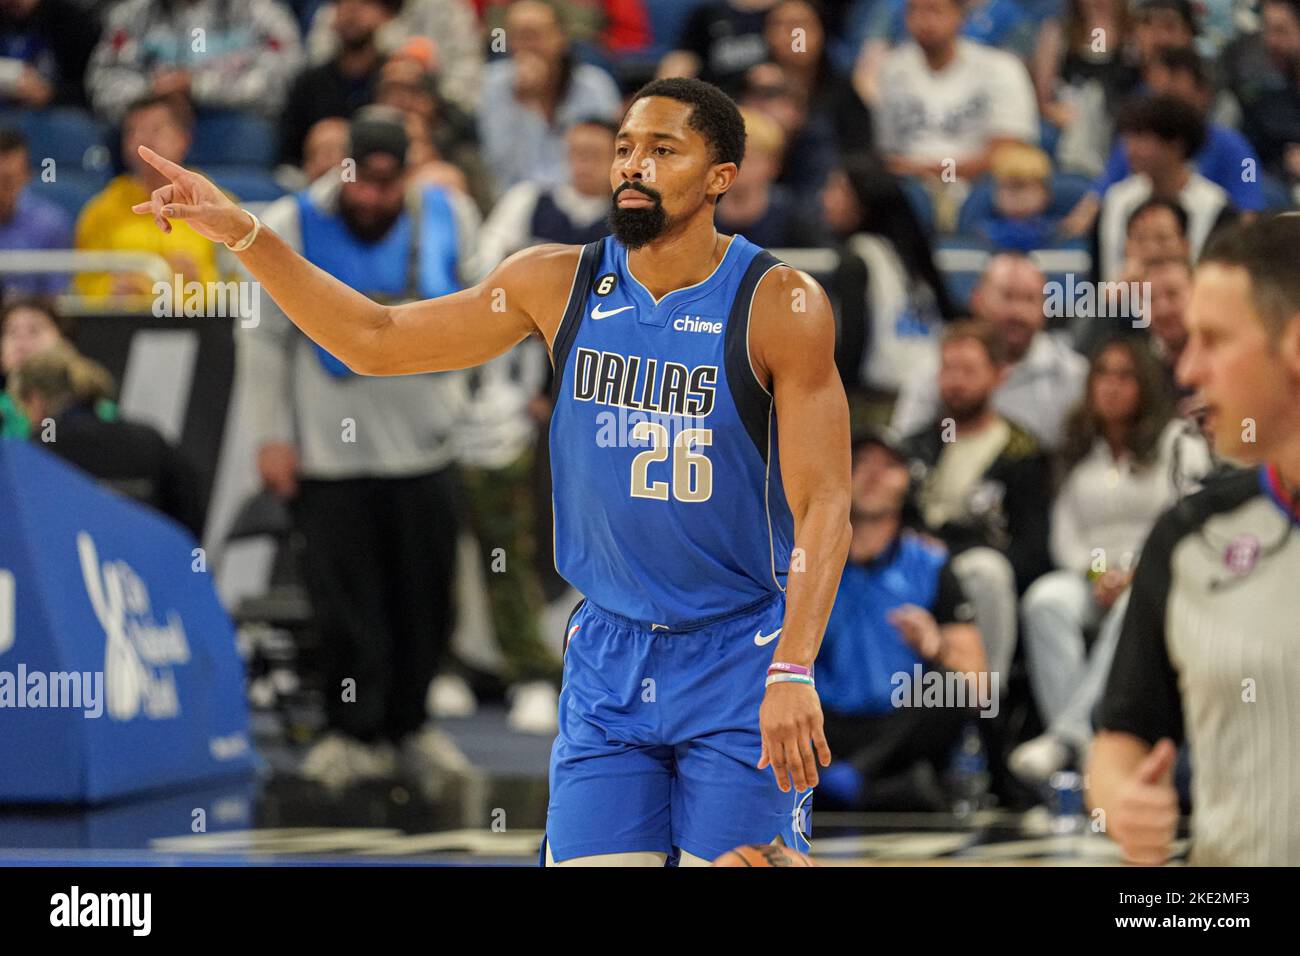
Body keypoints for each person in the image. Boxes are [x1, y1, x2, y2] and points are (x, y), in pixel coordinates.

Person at [132, 76, 852, 866]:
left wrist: (792, 666)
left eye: (662, 150)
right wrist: (245, 235)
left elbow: (824, 503)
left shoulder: (780, 303)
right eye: (623, 148)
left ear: (721, 177)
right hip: (609, 658)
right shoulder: (554, 280)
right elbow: (375, 340)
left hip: (737, 656)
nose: (632, 166)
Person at [233, 107, 480, 787]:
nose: (370, 199)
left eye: (384, 186)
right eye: (359, 184)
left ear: (406, 174)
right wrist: (271, 438)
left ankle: (411, 727)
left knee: (427, 602)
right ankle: (351, 732)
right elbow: (261, 340)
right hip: (330, 456)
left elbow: (487, 306)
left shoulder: (449, 215)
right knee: (345, 606)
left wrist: (476, 404)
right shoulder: (291, 225)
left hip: (426, 445)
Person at [1089, 214, 1300, 866]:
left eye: (1213, 339)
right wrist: (1122, 802)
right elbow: (1118, 741)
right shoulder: (1187, 538)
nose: (1187, 369)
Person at [1012, 336, 1203, 783]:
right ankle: (1088, 755)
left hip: (1157, 576)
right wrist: (1097, 571)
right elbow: (1065, 533)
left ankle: (1067, 740)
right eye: (1103, 375)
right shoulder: (1078, 449)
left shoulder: (1176, 441)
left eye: (1125, 376)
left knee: (1133, 602)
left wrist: (1137, 570)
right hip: (1091, 575)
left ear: (1146, 386)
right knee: (1044, 601)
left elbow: (1188, 515)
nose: (1112, 386)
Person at [816, 427, 984, 811]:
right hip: (826, 724)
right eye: (860, 463)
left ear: (909, 481)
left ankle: (850, 782)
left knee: (952, 687)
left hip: (897, 727)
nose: (872, 475)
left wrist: (936, 646)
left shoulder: (930, 562)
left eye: (888, 465)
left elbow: (978, 685)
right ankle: (885, 790)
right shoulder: (811, 557)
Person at [892, 252, 1089, 452]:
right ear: (977, 299)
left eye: (1030, 299)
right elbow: (906, 449)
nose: (1017, 312)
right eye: (1007, 296)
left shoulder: (1072, 376)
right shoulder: (938, 369)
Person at [8, 342, 205, 537]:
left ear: (35, 400)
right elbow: (189, 512)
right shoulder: (148, 439)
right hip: (143, 560)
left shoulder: (37, 451)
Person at [873, 0, 1039, 229]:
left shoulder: (1001, 68)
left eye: (934, 10)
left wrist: (929, 170)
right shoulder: (892, 69)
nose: (924, 21)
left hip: (980, 187)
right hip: (911, 188)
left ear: (960, 16)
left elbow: (1008, 151)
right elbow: (888, 154)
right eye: (914, 11)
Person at [74, 95, 229, 302]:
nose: (143, 139)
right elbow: (84, 285)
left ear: (184, 139)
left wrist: (200, 282)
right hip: (124, 326)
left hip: (200, 324)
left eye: (156, 130)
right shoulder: (100, 210)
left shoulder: (218, 205)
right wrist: (109, 291)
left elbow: (241, 287)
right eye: (133, 131)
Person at [476, 0, 621, 194]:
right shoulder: (492, 84)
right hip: (514, 200)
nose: (527, 46)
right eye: (518, 36)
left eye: (534, 35)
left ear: (560, 37)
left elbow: (606, 161)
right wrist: (526, 104)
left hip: (582, 197)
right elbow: (501, 170)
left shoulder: (594, 86)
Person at [86, 0, 302, 123]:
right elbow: (102, 81)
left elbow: (280, 83)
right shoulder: (131, 15)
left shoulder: (260, 12)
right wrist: (152, 92)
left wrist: (198, 86)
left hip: (229, 129)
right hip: (149, 132)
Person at [1096, 94, 1234, 281]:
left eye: (1142, 139)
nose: (1131, 149)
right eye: (1128, 139)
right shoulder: (1117, 199)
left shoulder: (1216, 206)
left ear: (1176, 145)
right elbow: (1101, 277)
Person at [279, 0, 399, 167]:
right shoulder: (309, 82)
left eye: (363, 4)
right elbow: (289, 153)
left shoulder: (395, 80)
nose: (351, 11)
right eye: (343, 3)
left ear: (386, 15)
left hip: (377, 180)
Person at [0, 297, 117, 439]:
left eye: (34, 330)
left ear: (64, 341)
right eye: (12, 332)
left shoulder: (94, 409)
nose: (21, 340)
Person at [0, 127, 72, 297]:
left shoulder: (50, 223)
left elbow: (56, 298)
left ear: (26, 175)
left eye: (7, 181)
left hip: (27, 318)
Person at [0, 0, 102, 108]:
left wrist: (51, 94)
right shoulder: (5, 17)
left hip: (60, 109)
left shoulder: (70, 19)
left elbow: (92, 85)